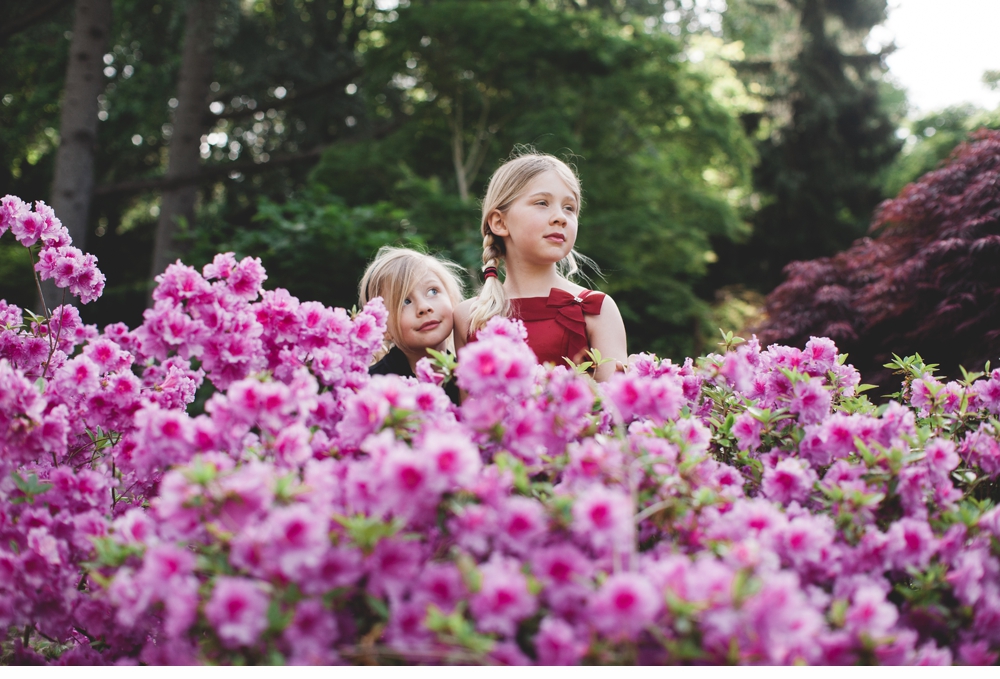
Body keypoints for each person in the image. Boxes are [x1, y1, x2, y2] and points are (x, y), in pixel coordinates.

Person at [453, 150, 627, 382]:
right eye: (542, 203)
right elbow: (469, 413)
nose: (561, 217)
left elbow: (616, 413)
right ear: (500, 222)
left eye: (569, 208)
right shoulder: (468, 317)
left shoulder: (596, 309)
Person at [359, 246, 465, 404]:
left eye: (432, 291)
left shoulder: (471, 380)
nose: (424, 307)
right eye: (405, 302)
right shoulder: (369, 387)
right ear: (383, 327)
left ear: (451, 299)